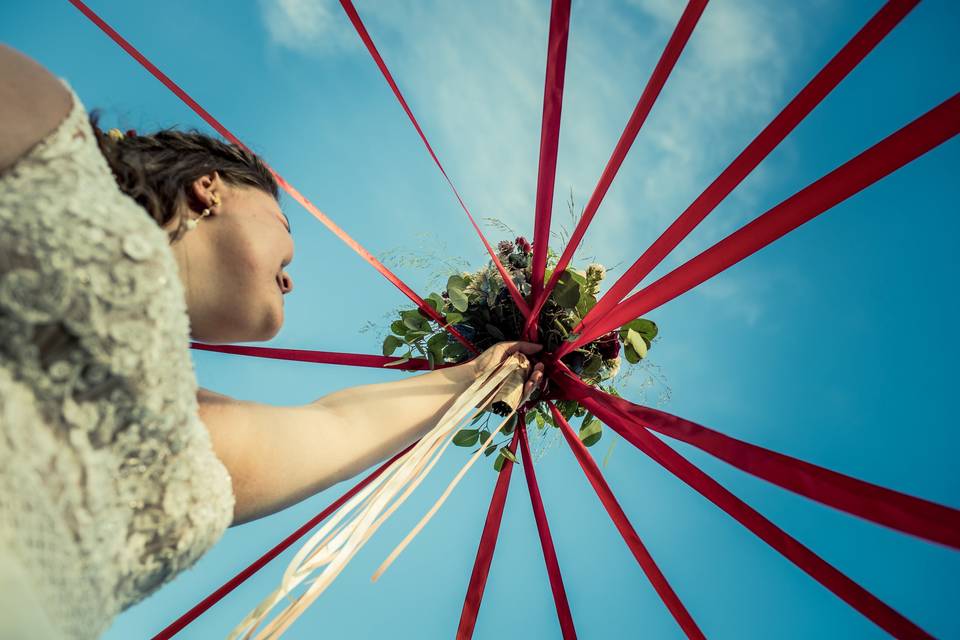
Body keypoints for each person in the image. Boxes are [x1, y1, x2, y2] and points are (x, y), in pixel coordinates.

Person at [0, 44, 545, 639]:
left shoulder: (186, 437)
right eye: (284, 231)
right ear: (209, 189)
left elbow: (340, 428)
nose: (291, 276)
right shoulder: (53, 152)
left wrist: (476, 378)